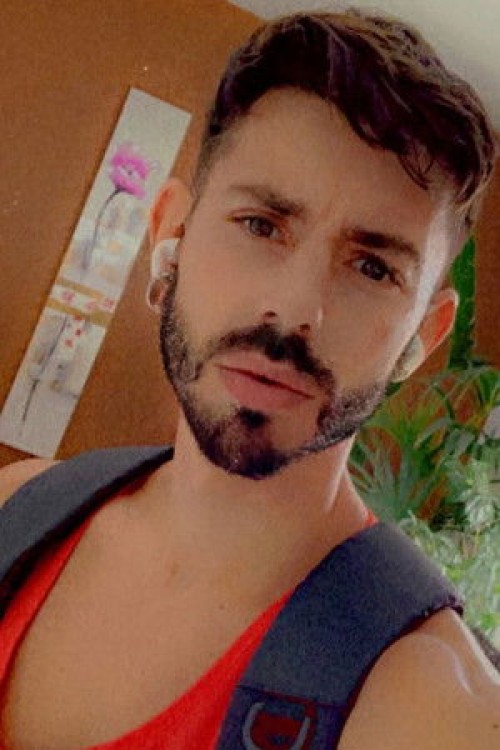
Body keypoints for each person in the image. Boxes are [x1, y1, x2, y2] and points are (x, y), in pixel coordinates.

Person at [0, 9, 499, 750]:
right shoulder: (15, 514)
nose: (296, 310)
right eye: (262, 225)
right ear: (171, 233)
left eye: (373, 268)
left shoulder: (430, 711)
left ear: (422, 338)